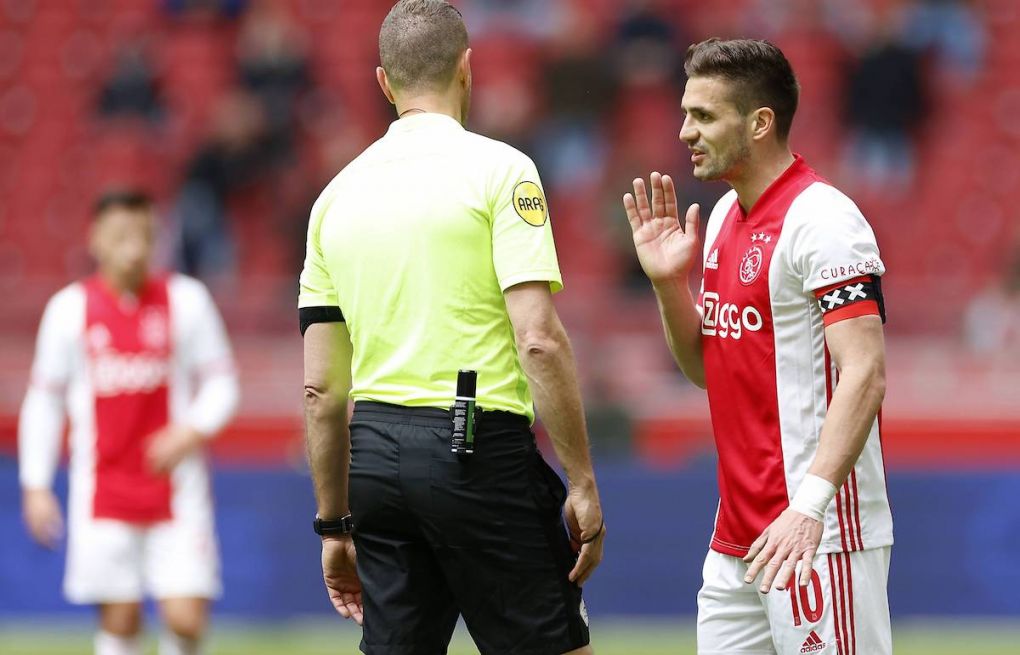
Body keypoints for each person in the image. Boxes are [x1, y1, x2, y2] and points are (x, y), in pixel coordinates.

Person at [298, 2, 604, 654]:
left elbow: (322, 391)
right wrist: (580, 480)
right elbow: (538, 338)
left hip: (375, 456)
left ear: (384, 81)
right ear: (469, 68)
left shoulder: (332, 199)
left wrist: (332, 523)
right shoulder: (502, 170)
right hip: (475, 445)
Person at [623, 39, 892, 654]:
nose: (684, 131)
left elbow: (866, 373)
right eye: (685, 113)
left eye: (704, 116)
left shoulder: (824, 221)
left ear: (760, 122)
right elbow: (705, 371)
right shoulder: (721, 218)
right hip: (738, 539)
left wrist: (811, 507)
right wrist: (669, 285)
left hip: (815, 534)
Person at [19, 190, 240, 655]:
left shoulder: (188, 300)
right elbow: (44, 403)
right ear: (95, 239)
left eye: (143, 235)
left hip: (175, 487)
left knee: (186, 616)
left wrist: (191, 429)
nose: (133, 247)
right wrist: (36, 485)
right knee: (120, 618)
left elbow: (223, 385)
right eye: (121, 235)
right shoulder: (68, 310)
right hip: (101, 488)